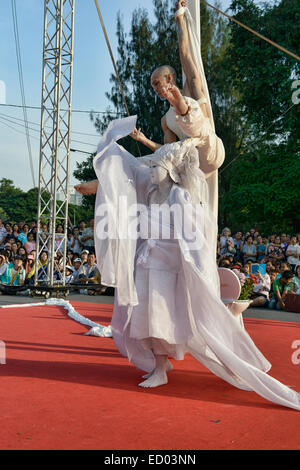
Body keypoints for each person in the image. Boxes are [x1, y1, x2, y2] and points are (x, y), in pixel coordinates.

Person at [74, 3, 300, 410]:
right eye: (157, 85)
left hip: (200, 167)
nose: (160, 87)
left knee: (190, 267)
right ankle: (166, 358)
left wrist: (182, 20)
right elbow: (155, 159)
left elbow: (188, 60)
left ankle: (223, 314)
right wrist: (134, 151)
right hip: (171, 196)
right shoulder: (166, 123)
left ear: (173, 81)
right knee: (153, 274)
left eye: (165, 81)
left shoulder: (192, 100)